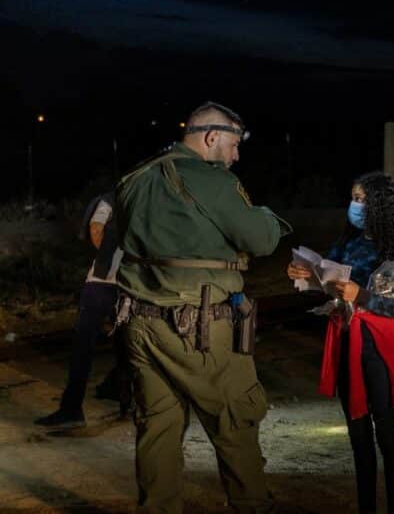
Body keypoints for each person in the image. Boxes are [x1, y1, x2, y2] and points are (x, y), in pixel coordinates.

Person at [116, 101, 288, 513]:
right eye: (233, 144)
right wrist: (264, 215)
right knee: (235, 420)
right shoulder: (209, 181)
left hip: (139, 321)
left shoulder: (136, 178)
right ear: (211, 137)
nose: (236, 155)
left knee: (157, 427)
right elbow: (263, 240)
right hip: (198, 328)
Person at [287, 171, 394, 514]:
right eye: (353, 198)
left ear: (380, 204)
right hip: (347, 338)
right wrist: (309, 277)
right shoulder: (349, 240)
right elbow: (331, 278)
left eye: (362, 199)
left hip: (378, 345)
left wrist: (361, 295)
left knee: (386, 430)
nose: (355, 205)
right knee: (356, 432)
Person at [35, 192, 130, 428]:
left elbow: (96, 229)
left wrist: (108, 257)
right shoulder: (148, 199)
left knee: (83, 346)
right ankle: (127, 404)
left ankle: (71, 410)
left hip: (102, 281)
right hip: (132, 283)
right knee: (127, 346)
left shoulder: (110, 197)